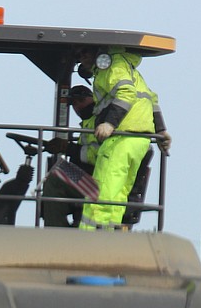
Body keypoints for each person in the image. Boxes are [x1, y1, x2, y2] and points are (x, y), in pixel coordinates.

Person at [75, 46, 171, 231]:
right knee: (119, 192)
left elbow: (126, 93)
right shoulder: (128, 68)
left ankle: (89, 237)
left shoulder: (114, 67)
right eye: (78, 55)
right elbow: (151, 99)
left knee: (103, 188)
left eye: (84, 52)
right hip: (139, 140)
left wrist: (109, 124)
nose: (81, 58)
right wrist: (161, 131)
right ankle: (110, 234)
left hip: (121, 136)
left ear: (97, 52)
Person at [42, 85, 99, 228]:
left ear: (93, 98)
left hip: (100, 179)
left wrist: (68, 148)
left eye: (81, 100)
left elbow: (99, 155)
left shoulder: (101, 122)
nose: (77, 106)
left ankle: (56, 233)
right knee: (55, 172)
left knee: (55, 181)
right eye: (73, 103)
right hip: (91, 174)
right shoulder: (87, 124)